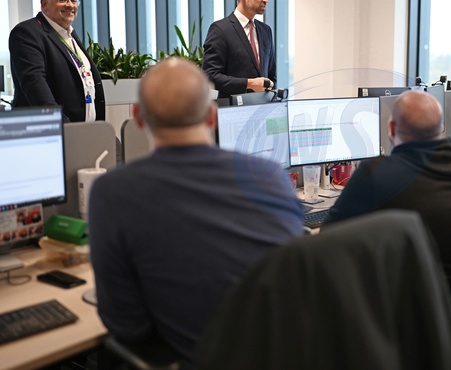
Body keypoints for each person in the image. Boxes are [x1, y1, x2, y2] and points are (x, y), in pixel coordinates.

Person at [88, 58, 303, 366]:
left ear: (137, 117)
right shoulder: (270, 176)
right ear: (212, 116)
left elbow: (126, 325)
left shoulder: (112, 192)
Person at [323, 89, 451, 289]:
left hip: (419, 298)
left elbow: (328, 235)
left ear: (391, 128)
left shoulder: (376, 173)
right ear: (440, 127)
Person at [9, 0, 105, 122]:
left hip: (85, 130)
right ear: (44, 4)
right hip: (51, 130)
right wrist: (64, 127)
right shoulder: (27, 33)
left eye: (74, 0)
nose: (70, 5)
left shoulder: (70, 34)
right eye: (62, 0)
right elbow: (35, 86)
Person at [202, 0, 276, 98]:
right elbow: (210, 75)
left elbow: (271, 75)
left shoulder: (266, 31)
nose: (266, 0)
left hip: (263, 107)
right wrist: (249, 84)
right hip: (233, 107)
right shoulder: (220, 30)